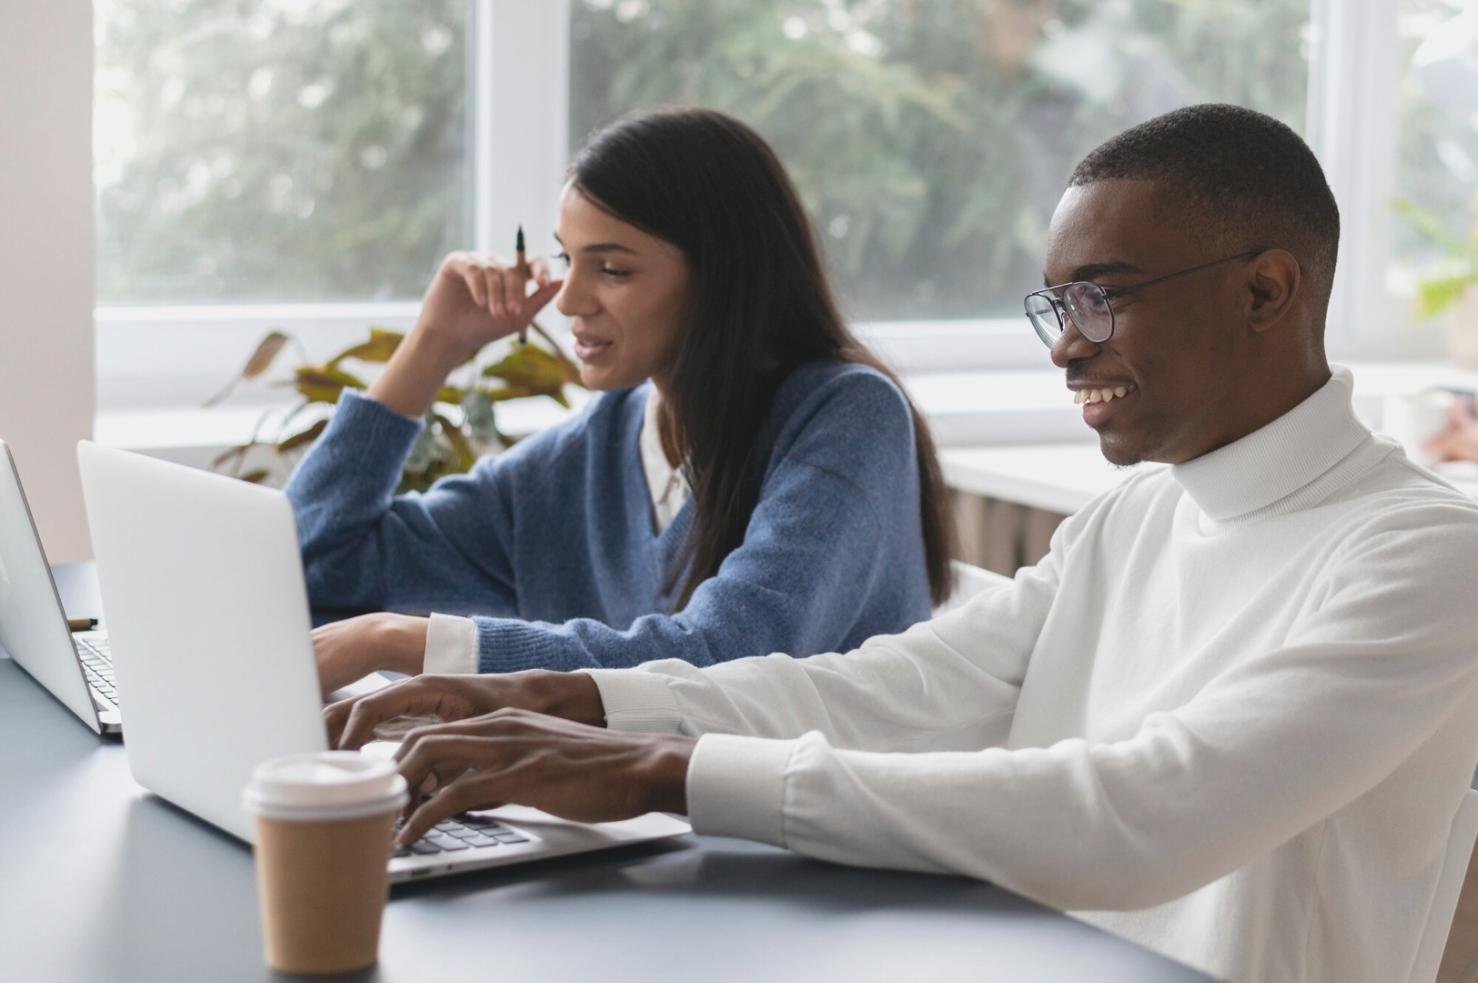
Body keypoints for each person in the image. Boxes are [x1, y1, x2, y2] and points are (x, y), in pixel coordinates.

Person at [322, 104, 1478, 983]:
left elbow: (1143, 812)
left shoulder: (1422, 555)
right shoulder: (1135, 515)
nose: (1063, 347)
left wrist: (658, 766)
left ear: (1265, 291)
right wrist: (571, 700)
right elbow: (892, 686)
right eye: (1053, 305)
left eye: (1098, 297)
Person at [285, 107, 955, 694]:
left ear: (721, 277)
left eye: (612, 269)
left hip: (810, 801)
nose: (569, 300)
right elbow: (310, 570)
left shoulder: (847, 417)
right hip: (635, 800)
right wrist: (432, 344)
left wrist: (397, 640)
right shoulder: (588, 453)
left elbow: (724, 660)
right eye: (566, 260)